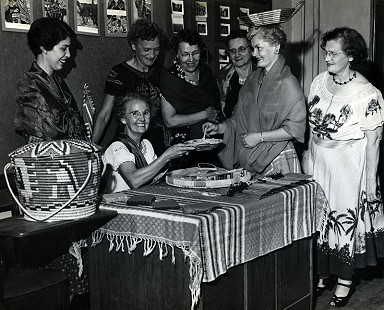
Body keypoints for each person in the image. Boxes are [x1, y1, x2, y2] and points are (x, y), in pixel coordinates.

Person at [302, 27, 384, 307]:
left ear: (351, 56)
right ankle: (321, 274)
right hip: (318, 161)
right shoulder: (318, 82)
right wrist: (308, 158)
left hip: (348, 167)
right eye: (325, 52)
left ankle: (345, 281)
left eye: (333, 53)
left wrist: (370, 184)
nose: (326, 58)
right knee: (319, 219)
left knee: (342, 219)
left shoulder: (367, 93)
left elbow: (373, 141)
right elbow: (311, 130)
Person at [203, 24, 306, 176]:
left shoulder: (288, 82)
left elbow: (294, 130)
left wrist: (260, 137)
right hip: (252, 153)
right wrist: (220, 128)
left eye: (259, 48)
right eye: (253, 49)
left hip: (277, 156)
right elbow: (239, 118)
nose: (255, 53)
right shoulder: (253, 79)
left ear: (276, 47)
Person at [92, 18, 168, 156]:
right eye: (146, 49)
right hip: (130, 145)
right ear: (134, 46)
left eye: (156, 49)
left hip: (159, 143)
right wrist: (90, 149)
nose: (152, 55)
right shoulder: (120, 73)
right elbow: (104, 115)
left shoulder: (160, 72)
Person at [102, 93, 193, 193]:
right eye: (135, 113)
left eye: (146, 113)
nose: (142, 118)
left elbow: (154, 175)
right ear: (123, 119)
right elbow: (134, 181)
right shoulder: (118, 146)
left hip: (138, 200)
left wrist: (186, 171)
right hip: (116, 204)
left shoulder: (146, 144)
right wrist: (167, 155)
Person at [15, 17, 86, 143]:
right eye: (63, 48)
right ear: (44, 48)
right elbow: (35, 147)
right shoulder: (30, 86)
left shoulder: (58, 82)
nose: (69, 54)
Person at [160, 29, 222, 168]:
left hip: (210, 145)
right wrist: (204, 114)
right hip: (182, 149)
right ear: (177, 54)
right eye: (185, 54)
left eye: (195, 53)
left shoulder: (206, 72)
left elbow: (216, 109)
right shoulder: (170, 78)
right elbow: (170, 121)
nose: (191, 59)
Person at [216, 29, 257, 118]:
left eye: (242, 49)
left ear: (251, 49)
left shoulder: (262, 73)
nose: (237, 55)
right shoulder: (221, 77)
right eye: (232, 51)